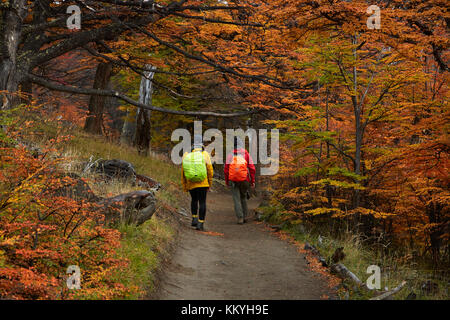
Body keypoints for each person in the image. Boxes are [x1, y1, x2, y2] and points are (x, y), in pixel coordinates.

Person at [181, 134, 213, 231]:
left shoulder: (187, 154)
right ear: (202, 143)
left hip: (191, 182)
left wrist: (185, 185)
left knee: (194, 200)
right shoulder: (205, 154)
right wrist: (209, 183)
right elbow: (210, 170)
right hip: (203, 183)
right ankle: (200, 223)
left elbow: (183, 171)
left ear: (193, 143)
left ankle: (194, 218)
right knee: (202, 202)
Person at [224, 136, 256, 224]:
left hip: (233, 180)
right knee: (243, 197)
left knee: (236, 199)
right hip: (244, 179)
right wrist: (252, 181)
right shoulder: (246, 154)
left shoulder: (230, 155)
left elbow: (226, 170)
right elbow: (252, 168)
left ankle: (240, 218)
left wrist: (227, 181)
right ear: (241, 145)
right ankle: (245, 216)